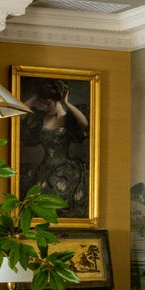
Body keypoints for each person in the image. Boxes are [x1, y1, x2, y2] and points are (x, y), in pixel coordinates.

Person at [19, 80, 90, 218]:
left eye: (48, 103)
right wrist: (35, 97)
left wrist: (67, 102)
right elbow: (19, 113)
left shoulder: (68, 119)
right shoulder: (40, 118)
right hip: (45, 167)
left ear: (58, 100)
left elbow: (84, 123)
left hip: (65, 169)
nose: (45, 106)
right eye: (43, 102)